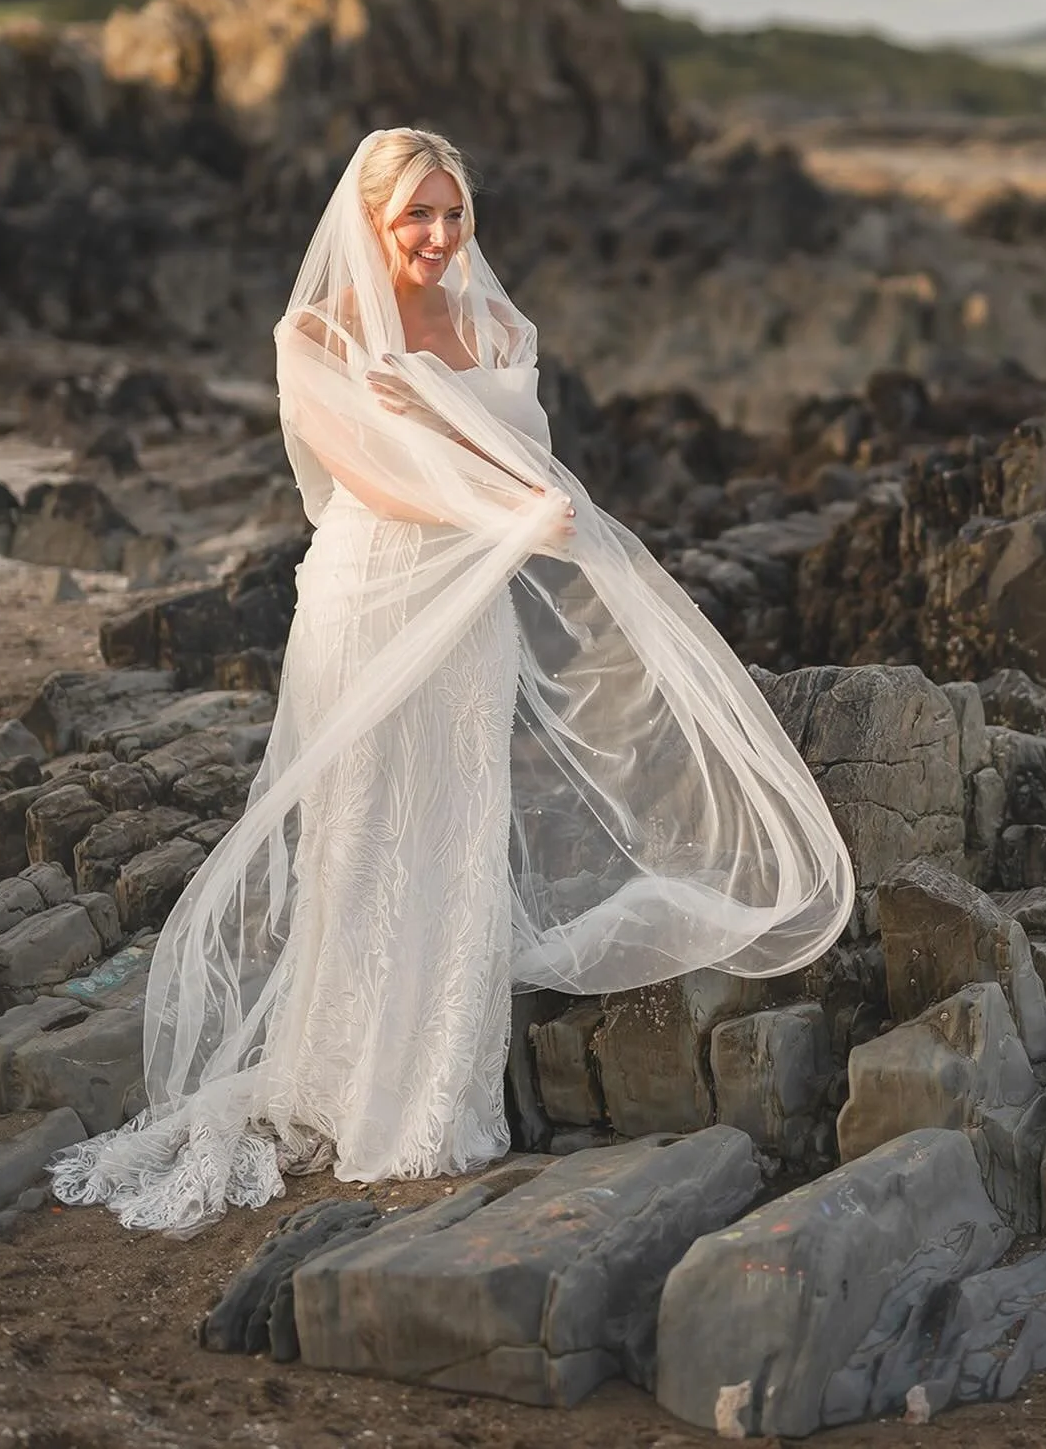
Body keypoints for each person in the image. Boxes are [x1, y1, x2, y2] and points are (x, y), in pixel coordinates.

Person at [44, 126, 856, 1237]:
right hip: (370, 595)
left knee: (458, 826)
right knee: (364, 829)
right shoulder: (314, 332)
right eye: (415, 215)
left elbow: (519, 457)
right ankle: (337, 1082)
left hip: (470, 606)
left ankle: (436, 1096)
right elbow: (369, 472)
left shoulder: (498, 323)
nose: (438, 234)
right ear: (372, 222)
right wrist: (502, 511)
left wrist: (524, 510)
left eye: (453, 212)